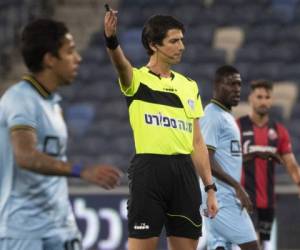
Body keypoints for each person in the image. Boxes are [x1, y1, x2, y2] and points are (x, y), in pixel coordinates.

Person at [0, 18, 121, 250]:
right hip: (24, 232)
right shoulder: (20, 99)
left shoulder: (53, 103)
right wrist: (81, 171)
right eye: (70, 52)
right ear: (50, 59)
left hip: (60, 225)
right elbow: (25, 155)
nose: (78, 58)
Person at [104, 7, 218, 250]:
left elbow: (197, 142)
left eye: (182, 40)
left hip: (184, 174)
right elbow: (120, 64)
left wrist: (209, 188)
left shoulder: (189, 86)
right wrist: (112, 40)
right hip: (149, 171)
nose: (181, 46)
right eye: (174, 41)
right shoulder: (135, 80)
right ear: (154, 45)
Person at [200, 65, 259, 250]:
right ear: (217, 85)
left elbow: (227, 157)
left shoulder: (225, 116)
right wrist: (238, 187)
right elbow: (206, 160)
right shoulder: (212, 115)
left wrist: (254, 154)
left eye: (239, 84)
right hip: (222, 200)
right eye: (231, 83)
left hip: (222, 199)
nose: (237, 89)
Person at [237, 79, 300, 250]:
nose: (263, 101)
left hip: (268, 202)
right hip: (244, 200)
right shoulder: (238, 127)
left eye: (267, 97)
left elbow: (290, 163)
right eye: (259, 96)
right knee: (250, 244)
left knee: (263, 244)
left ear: (271, 100)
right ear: (251, 98)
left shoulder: (279, 131)